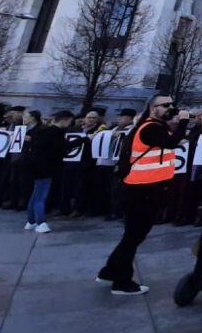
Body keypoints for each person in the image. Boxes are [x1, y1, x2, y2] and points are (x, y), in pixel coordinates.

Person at [97, 95, 188, 295]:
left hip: (145, 187)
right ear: (153, 108)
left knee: (132, 235)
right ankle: (122, 282)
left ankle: (110, 270)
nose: (170, 108)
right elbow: (172, 143)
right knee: (134, 236)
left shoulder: (152, 126)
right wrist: (183, 121)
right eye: (165, 105)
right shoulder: (150, 127)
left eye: (172, 105)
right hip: (143, 189)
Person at [25, 110, 82, 233]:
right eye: (69, 121)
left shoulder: (42, 131)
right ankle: (40, 222)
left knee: (35, 195)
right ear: (64, 120)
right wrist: (82, 140)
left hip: (35, 167)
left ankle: (31, 221)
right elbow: (63, 148)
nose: (69, 124)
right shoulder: (55, 133)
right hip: (46, 168)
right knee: (40, 196)